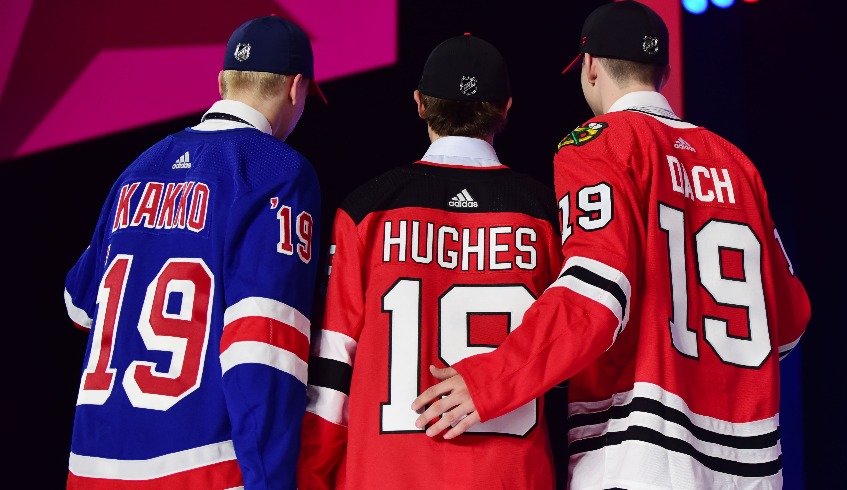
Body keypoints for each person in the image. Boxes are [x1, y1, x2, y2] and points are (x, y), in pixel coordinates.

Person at [412, 2, 812, 488]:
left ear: (590, 67)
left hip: (640, 456)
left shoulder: (599, 142)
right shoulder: (737, 164)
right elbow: (788, 323)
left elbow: (595, 297)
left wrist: (490, 379)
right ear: (663, 73)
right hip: (752, 469)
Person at [62, 15, 323, 489]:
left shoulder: (137, 168)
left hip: (92, 466)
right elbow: (263, 347)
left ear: (222, 81)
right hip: (202, 467)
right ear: (295, 88)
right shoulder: (278, 172)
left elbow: (79, 304)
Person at [298, 34, 563, 489]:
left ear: (419, 103)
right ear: (506, 108)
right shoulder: (546, 213)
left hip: (383, 475)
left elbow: (332, 367)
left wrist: (312, 474)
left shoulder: (367, 208)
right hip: (511, 475)